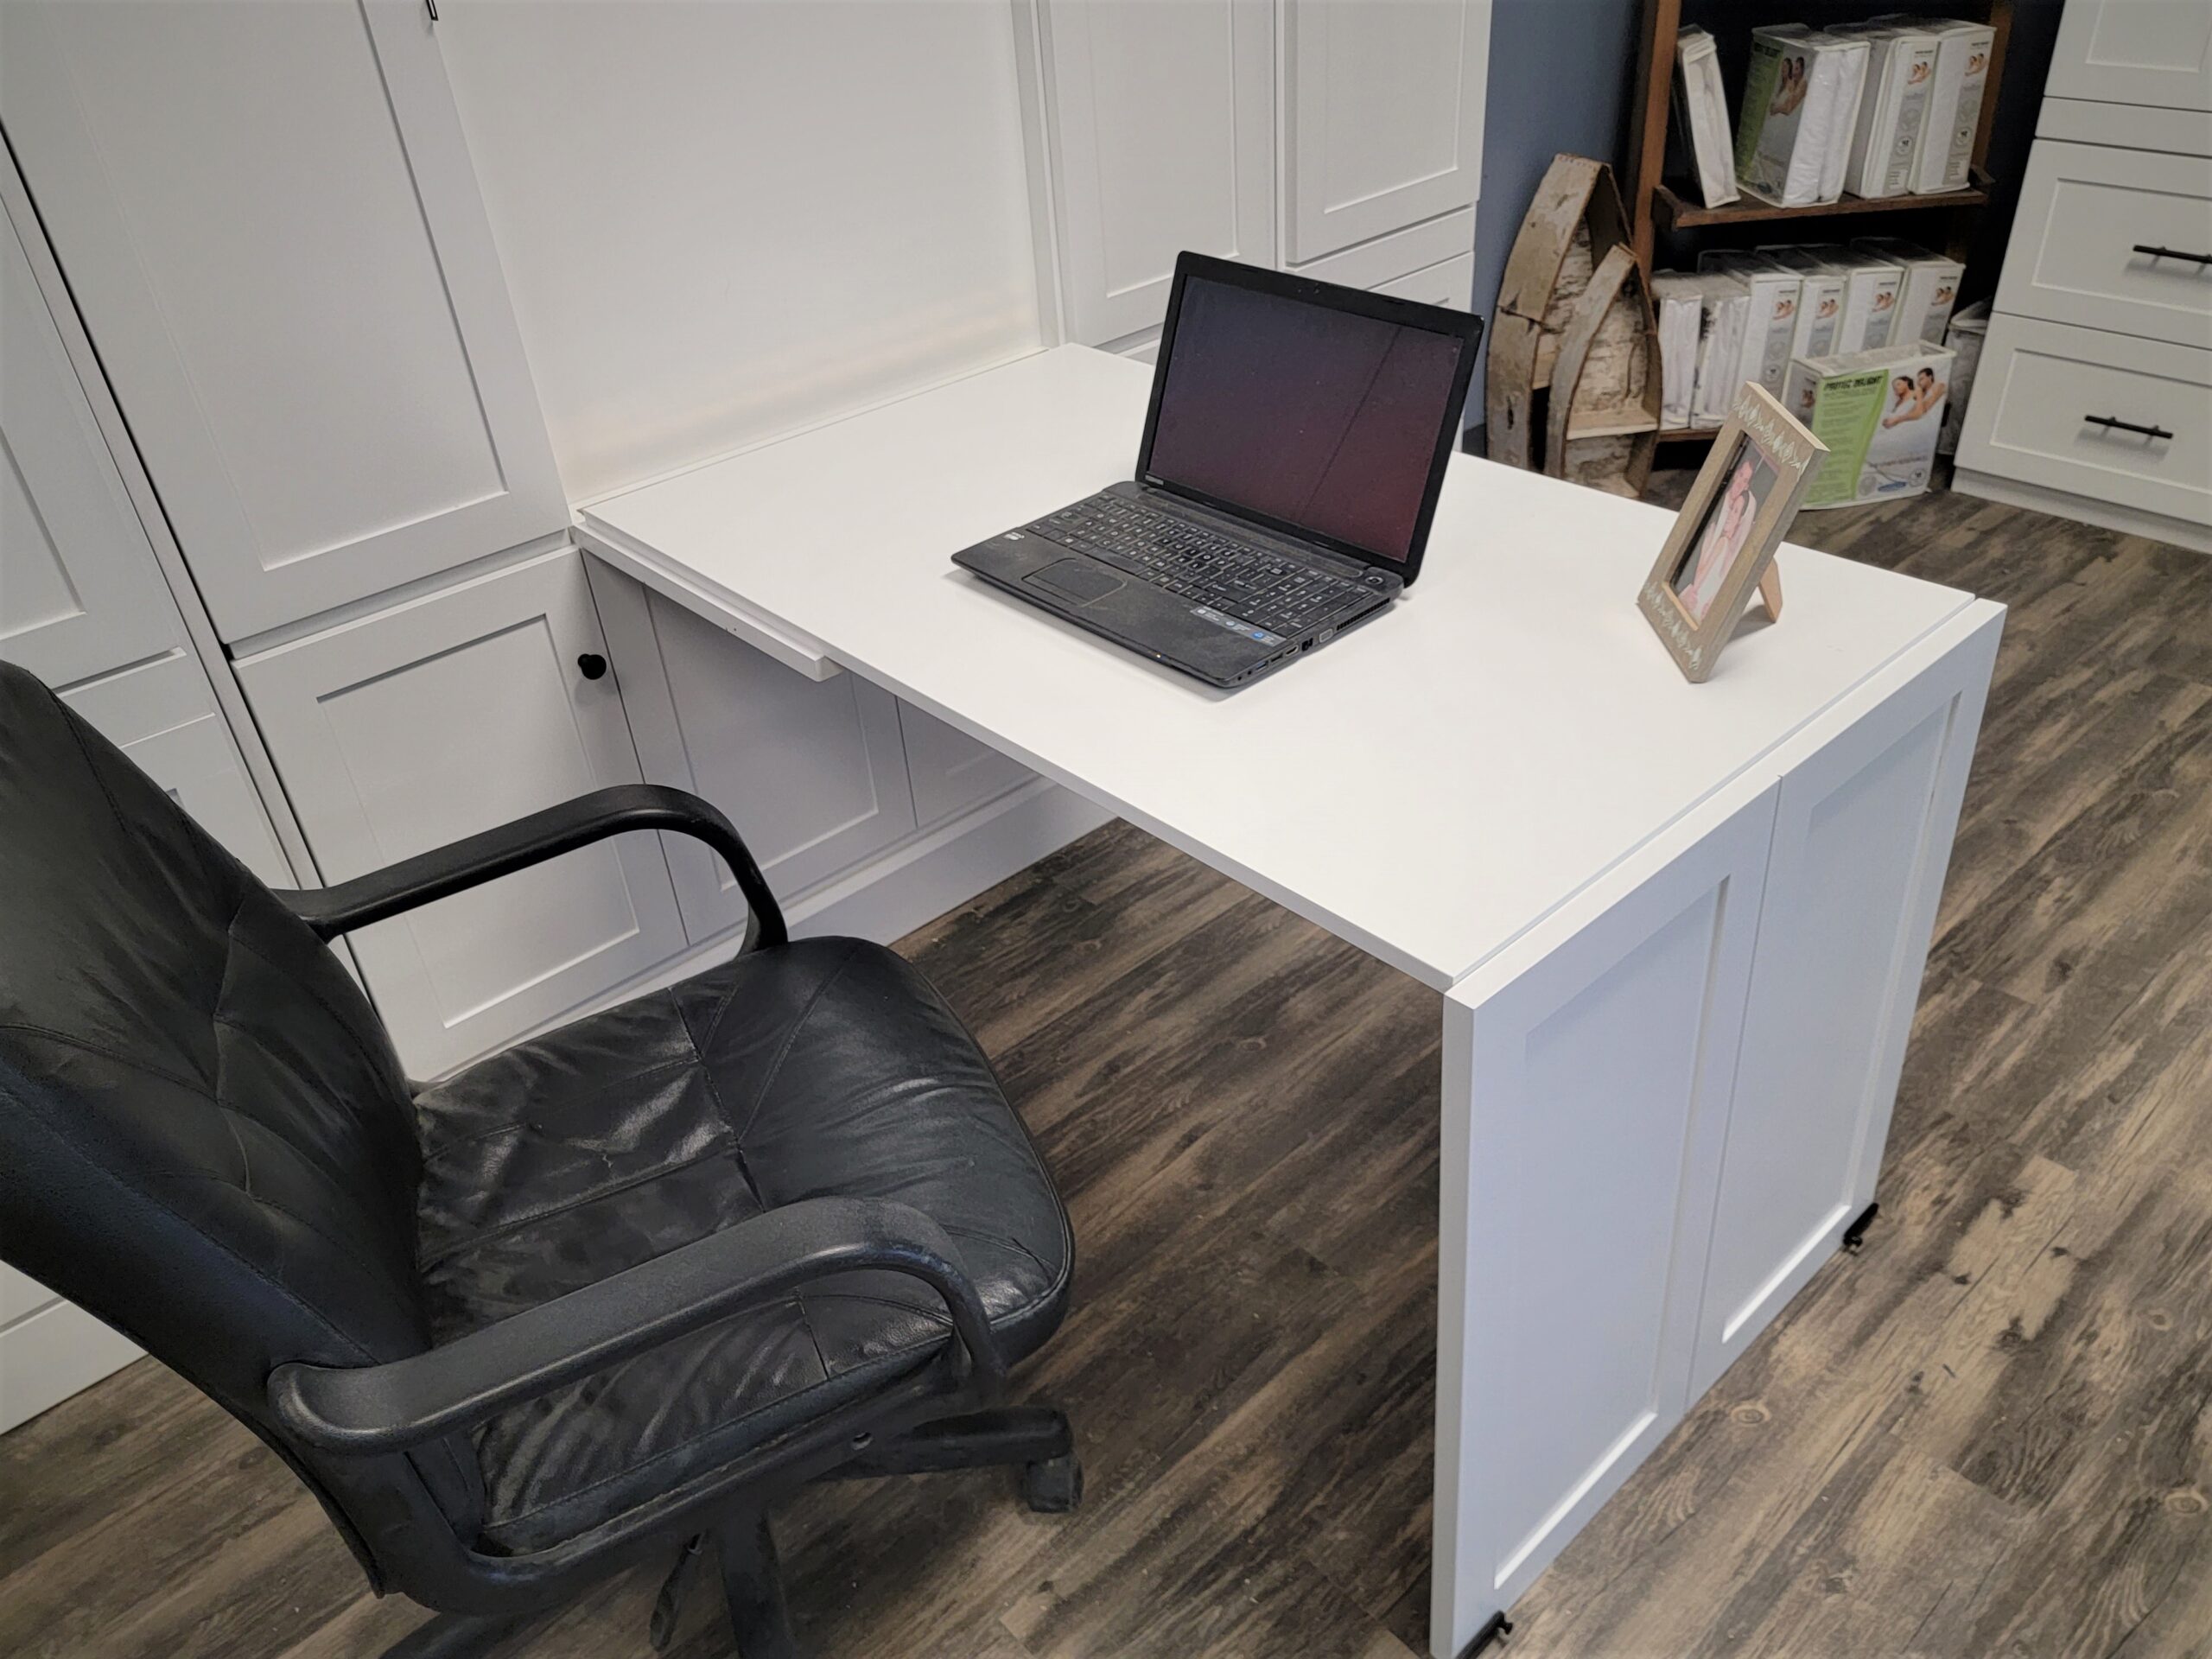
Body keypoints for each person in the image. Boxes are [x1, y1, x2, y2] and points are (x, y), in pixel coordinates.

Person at [1675, 451, 1760, 623]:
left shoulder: (1727, 544)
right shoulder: (1716, 502)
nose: (1739, 483)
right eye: (1740, 475)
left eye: (1745, 480)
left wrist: (1711, 599)